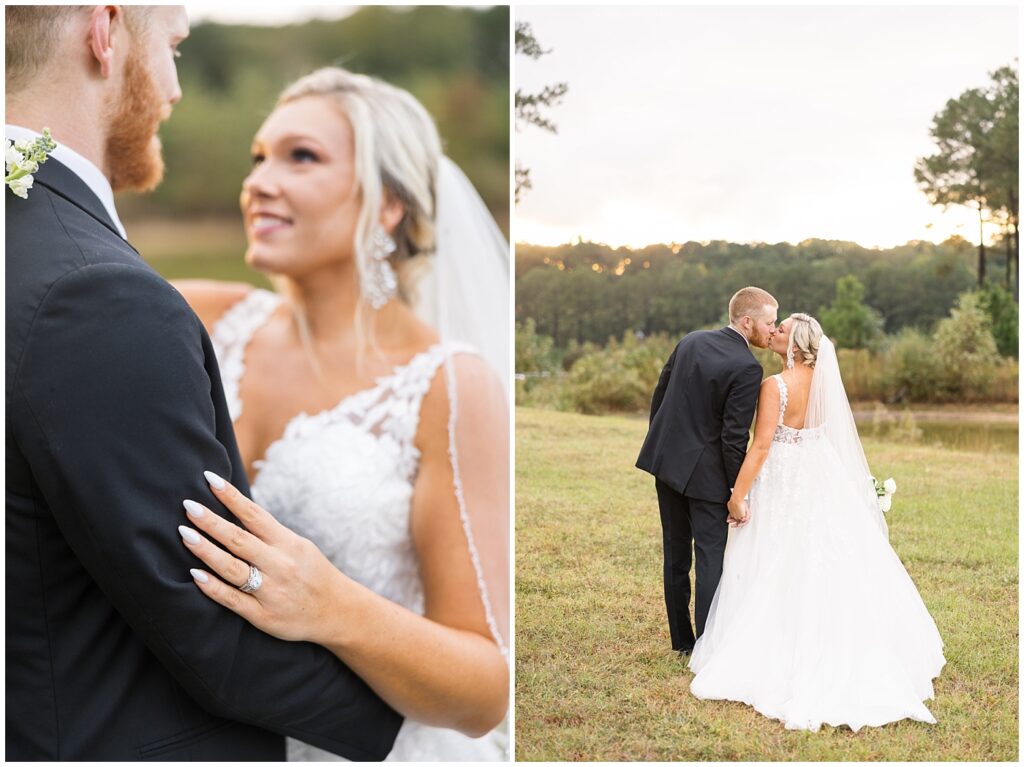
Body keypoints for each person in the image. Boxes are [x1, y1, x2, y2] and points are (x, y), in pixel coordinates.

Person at [5, 6, 402, 760]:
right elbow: (211, 627)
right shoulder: (95, 296)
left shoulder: (40, 255)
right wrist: (418, 717)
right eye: (174, 47)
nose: (177, 88)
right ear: (105, 29)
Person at [171, 66, 510, 761]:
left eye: (301, 157)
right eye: (258, 157)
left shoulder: (449, 385)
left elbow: (483, 688)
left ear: (388, 203)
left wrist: (328, 605)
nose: (259, 181)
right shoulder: (198, 318)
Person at [689, 313, 945, 731]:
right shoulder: (824, 384)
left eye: (782, 329)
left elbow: (762, 445)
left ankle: (772, 649)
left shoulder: (774, 385)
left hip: (783, 478)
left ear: (795, 344)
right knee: (823, 554)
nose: (774, 332)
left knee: (773, 555)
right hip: (817, 475)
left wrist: (736, 496)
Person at [636, 287, 778, 655]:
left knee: (676, 553)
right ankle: (708, 646)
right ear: (747, 322)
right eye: (769, 323)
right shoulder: (748, 367)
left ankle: (682, 641)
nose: (772, 330)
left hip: (666, 463)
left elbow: (660, 394)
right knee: (711, 556)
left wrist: (661, 443)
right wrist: (737, 491)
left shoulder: (692, 341)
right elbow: (733, 438)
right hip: (708, 477)